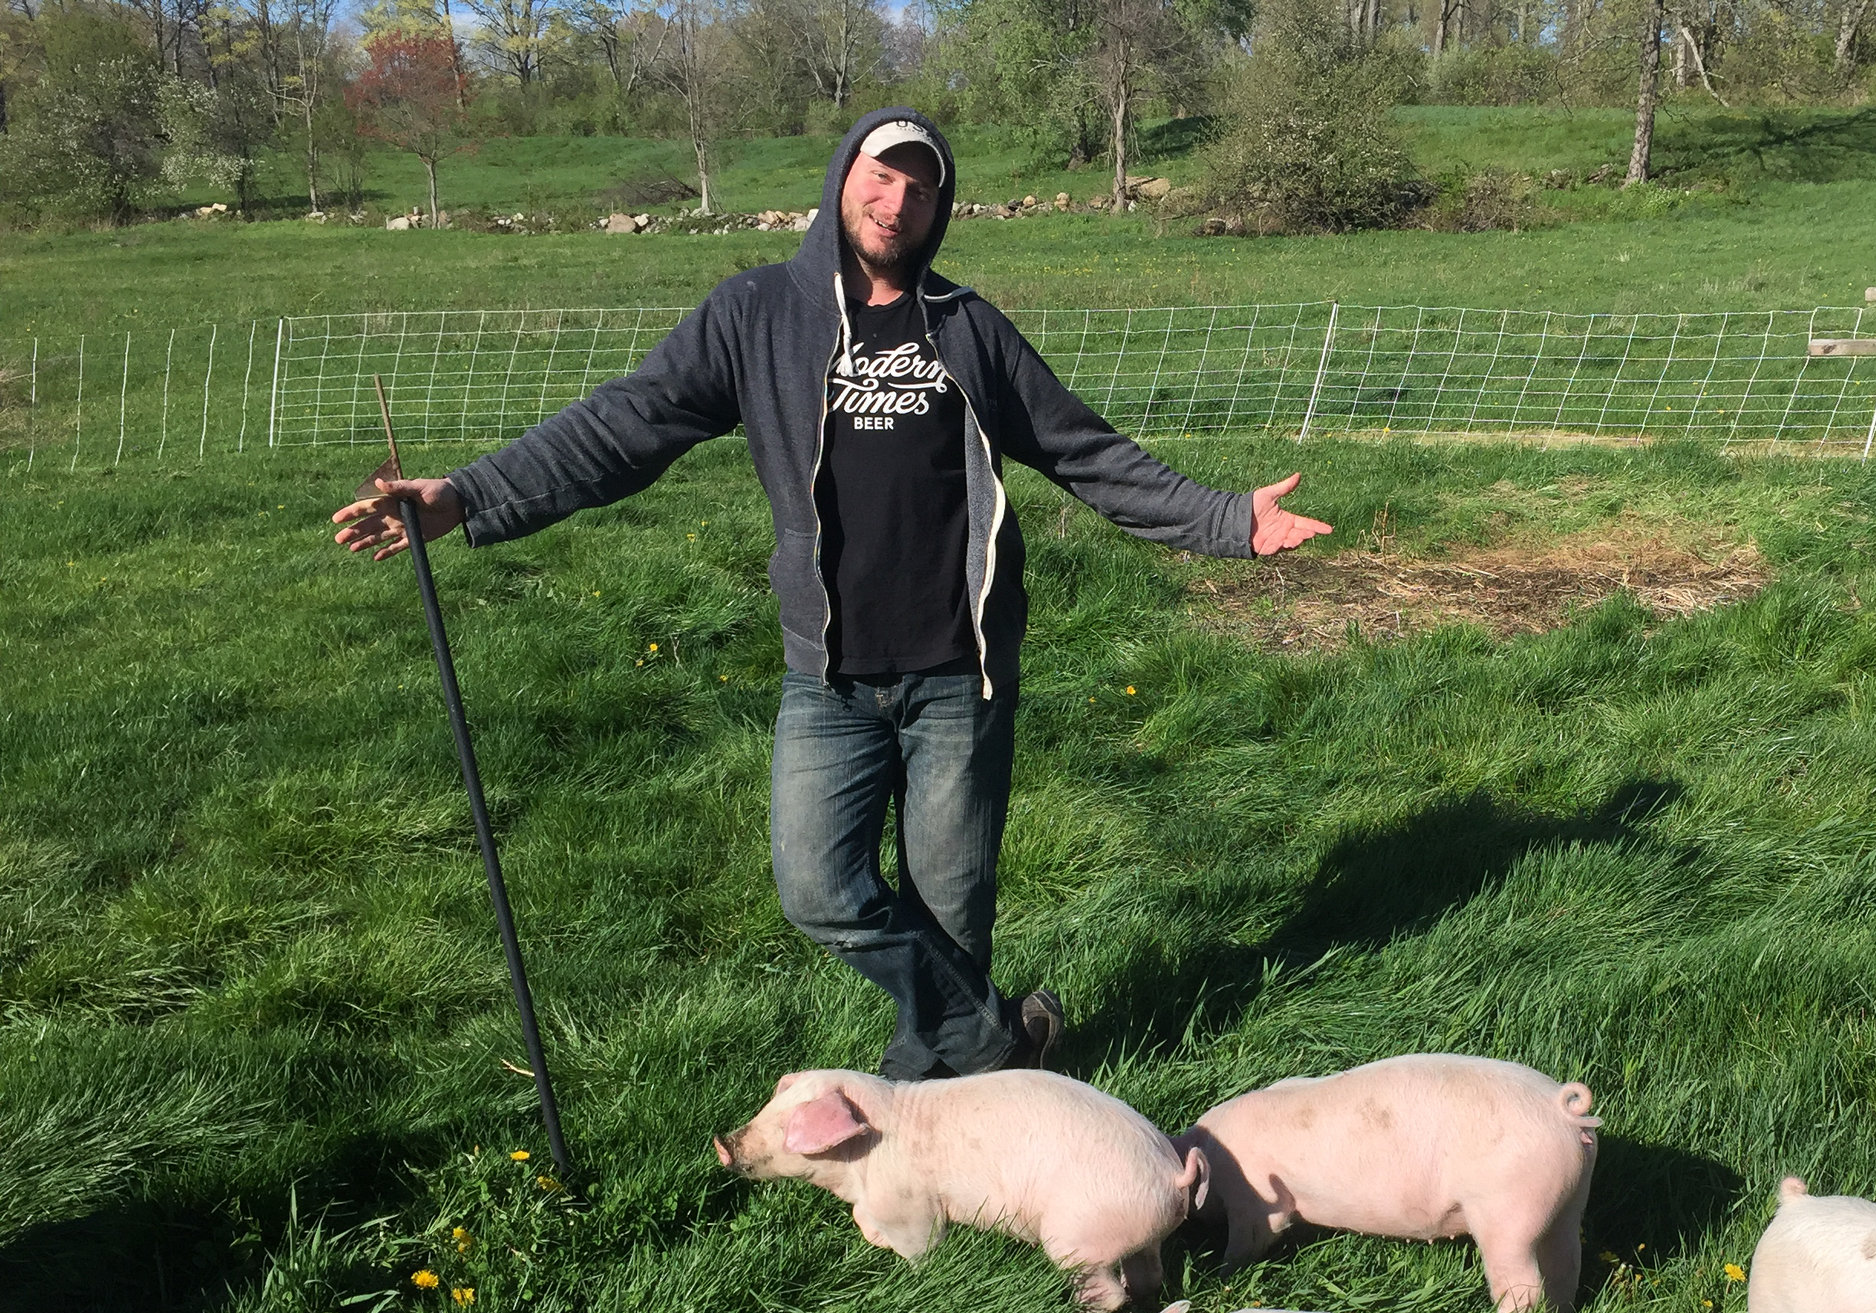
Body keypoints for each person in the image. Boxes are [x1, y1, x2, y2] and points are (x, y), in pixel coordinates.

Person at [333, 108, 1328, 1081]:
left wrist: (1227, 521)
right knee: (820, 891)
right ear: (843, 178)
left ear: (940, 209)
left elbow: (1085, 454)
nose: (895, 201)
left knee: (949, 914)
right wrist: (468, 496)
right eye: (880, 176)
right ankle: (999, 1042)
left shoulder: (967, 330)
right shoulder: (757, 315)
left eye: (919, 186)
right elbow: (624, 425)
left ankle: (931, 1100)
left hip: (958, 674)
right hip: (830, 680)